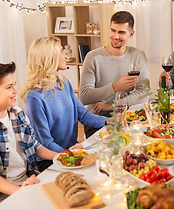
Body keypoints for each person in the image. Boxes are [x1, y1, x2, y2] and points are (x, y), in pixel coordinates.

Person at [0, 62, 58, 208]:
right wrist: (22, 191)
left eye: (14, 85)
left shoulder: (18, 114)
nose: (16, 90)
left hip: (28, 179)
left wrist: (60, 156)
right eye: (9, 87)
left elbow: (34, 146)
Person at [21, 36, 108, 172]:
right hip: (51, 159)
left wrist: (110, 121)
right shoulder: (35, 97)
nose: (65, 55)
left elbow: (83, 115)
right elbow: (45, 142)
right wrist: (70, 154)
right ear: (48, 57)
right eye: (61, 51)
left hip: (71, 150)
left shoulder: (63, 83)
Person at [79, 11, 150, 138]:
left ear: (131, 34)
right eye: (113, 30)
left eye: (121, 32)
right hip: (97, 122)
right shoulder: (93, 57)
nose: (115, 36)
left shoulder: (138, 55)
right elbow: (84, 96)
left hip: (128, 119)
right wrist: (116, 86)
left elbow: (144, 93)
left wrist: (110, 105)